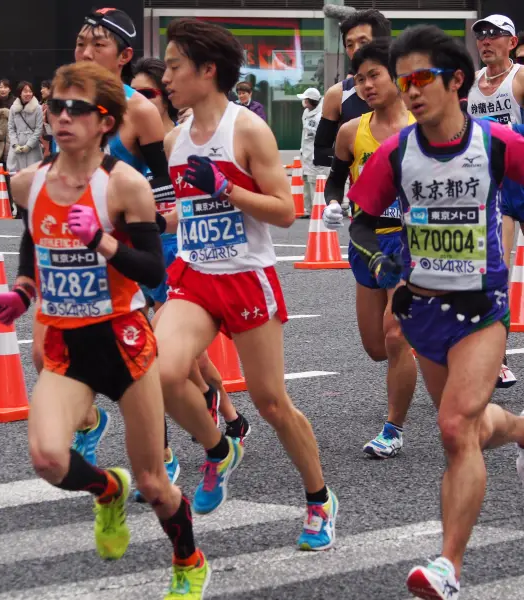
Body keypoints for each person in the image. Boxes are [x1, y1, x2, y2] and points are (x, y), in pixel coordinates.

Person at [346, 24, 524, 596]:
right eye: (403, 81)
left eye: (422, 79)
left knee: (451, 429)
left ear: (455, 80)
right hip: (421, 311)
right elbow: (363, 222)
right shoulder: (396, 154)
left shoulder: (494, 143)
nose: (411, 91)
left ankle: (448, 566)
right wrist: (382, 263)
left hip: (482, 309)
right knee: (468, 425)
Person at [0, 60, 210, 598]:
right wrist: (22, 290)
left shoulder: (124, 185)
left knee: (156, 483)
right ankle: (107, 488)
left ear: (105, 121)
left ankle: (189, 559)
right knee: (47, 458)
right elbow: (34, 240)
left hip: (123, 343)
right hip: (64, 343)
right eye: (56, 105)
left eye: (76, 108)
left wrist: (103, 243)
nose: (61, 117)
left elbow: (154, 271)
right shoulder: (27, 183)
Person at [160, 17, 337, 549]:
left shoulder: (247, 129)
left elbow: (285, 211)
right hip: (194, 274)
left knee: (272, 403)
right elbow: (179, 215)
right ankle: (219, 448)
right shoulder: (173, 139)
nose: (166, 77)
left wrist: (226, 187)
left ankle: (319, 500)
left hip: (246, 277)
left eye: (174, 66)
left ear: (207, 70)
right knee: (163, 372)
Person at [30, 7, 191, 470]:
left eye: (96, 45)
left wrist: (158, 250)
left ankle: (165, 455)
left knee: (140, 362)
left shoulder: (139, 111)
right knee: (45, 355)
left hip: (126, 251)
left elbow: (165, 195)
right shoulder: (63, 101)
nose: (83, 52)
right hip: (68, 250)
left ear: (123, 55)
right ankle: (89, 422)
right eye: (80, 42)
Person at [129, 56, 250, 498]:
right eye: (134, 93)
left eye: (147, 93)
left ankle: (218, 417)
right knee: (152, 355)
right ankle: (212, 424)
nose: (138, 101)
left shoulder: (176, 141)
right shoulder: (128, 142)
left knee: (172, 356)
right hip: (135, 252)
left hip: (177, 251)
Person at [319, 39, 418, 459]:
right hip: (366, 240)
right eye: (359, 79)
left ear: (396, 75)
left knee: (395, 334)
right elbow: (337, 177)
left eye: (374, 74)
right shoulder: (350, 132)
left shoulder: (421, 125)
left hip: (411, 243)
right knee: (377, 347)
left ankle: (393, 428)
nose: (366, 85)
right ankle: (433, 350)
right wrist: (333, 203)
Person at [467, 14, 524, 386]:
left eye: (494, 35)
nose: (485, 41)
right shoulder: (470, 85)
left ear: (511, 42)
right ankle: (497, 359)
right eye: (481, 36)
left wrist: (511, 131)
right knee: (494, 273)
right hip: (493, 190)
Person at [313, 8, 391, 168]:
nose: (356, 49)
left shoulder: (408, 88)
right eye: (349, 44)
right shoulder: (337, 94)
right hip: (356, 189)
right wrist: (359, 157)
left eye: (363, 42)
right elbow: (320, 152)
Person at [297, 87, 325, 215]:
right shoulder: (306, 113)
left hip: (315, 155)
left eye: (305, 100)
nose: (304, 102)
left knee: (315, 182)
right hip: (306, 153)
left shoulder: (320, 115)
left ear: (311, 101)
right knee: (307, 181)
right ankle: (308, 209)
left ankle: (317, 209)